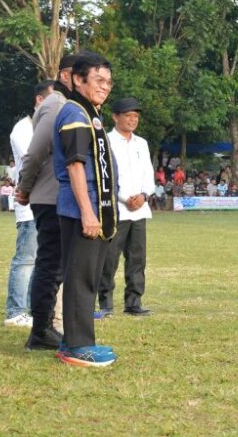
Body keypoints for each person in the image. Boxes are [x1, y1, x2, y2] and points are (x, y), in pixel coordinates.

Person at [17, 54, 88, 350]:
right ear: (66, 76)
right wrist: (24, 186)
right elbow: (35, 152)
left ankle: (46, 325)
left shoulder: (72, 107)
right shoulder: (56, 104)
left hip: (58, 196)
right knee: (50, 264)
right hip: (49, 197)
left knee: (56, 264)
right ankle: (40, 329)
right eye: (82, 76)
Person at [52, 52, 119, 366]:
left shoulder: (89, 113)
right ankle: (78, 346)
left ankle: (72, 339)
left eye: (108, 82)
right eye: (98, 80)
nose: (105, 87)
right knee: (80, 278)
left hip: (96, 209)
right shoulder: (75, 113)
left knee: (87, 276)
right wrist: (88, 213)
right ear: (77, 80)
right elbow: (76, 166)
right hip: (83, 211)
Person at [97, 97, 155, 319]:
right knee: (109, 258)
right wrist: (123, 198)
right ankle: (105, 303)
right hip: (116, 209)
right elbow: (106, 176)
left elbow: (148, 174)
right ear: (115, 117)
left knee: (137, 258)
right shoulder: (106, 141)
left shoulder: (142, 143)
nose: (133, 120)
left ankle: (134, 302)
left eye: (136, 117)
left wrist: (143, 195)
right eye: (128, 116)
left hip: (140, 209)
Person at [4, 81, 54, 328]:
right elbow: (34, 161)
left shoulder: (44, 127)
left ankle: (33, 309)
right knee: (25, 259)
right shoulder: (23, 129)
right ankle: (15, 311)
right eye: (52, 99)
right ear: (39, 100)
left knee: (40, 260)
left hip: (44, 201)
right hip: (29, 203)